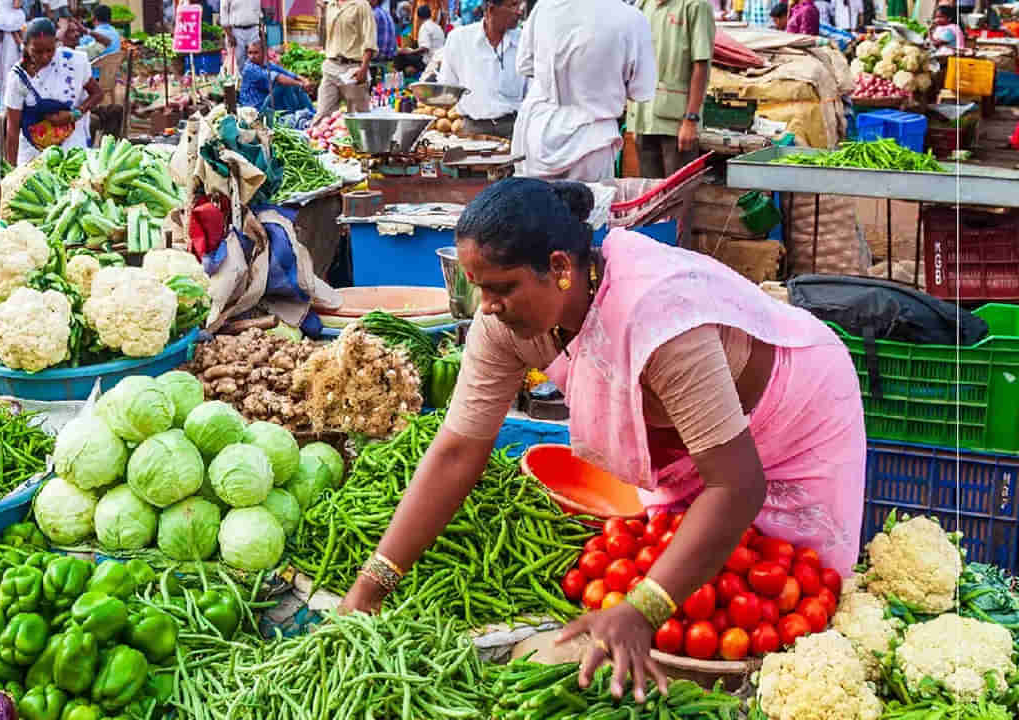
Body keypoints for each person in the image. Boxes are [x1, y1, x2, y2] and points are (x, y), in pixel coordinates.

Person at [339, 178, 865, 700]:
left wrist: (643, 607)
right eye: (478, 287)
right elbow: (458, 451)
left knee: (794, 604)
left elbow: (736, 486)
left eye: (501, 288)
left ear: (562, 269)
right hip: (689, 443)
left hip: (793, 415)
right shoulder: (503, 323)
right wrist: (371, 587)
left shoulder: (657, 314)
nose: (487, 305)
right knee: (701, 592)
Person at [513, 0, 655, 181]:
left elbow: (525, 64)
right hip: (592, 141)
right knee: (589, 206)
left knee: (535, 206)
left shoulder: (544, 7)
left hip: (537, 135)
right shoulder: (632, 19)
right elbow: (640, 90)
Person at [627, 0, 714, 180]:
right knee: (650, 194)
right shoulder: (644, 4)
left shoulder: (696, 6)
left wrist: (691, 119)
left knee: (677, 196)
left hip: (677, 121)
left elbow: (701, 64)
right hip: (644, 117)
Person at [3, 18, 103, 167]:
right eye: (37, 52)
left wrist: (74, 114)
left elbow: (97, 94)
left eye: (50, 50)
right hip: (34, 154)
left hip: (72, 149)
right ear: (25, 47)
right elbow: (12, 129)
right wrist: (11, 171)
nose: (45, 57)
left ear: (56, 43)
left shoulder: (73, 62)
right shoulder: (18, 77)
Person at [436, 0, 525, 139]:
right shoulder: (459, 39)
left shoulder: (524, 41)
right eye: (513, 5)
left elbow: (533, 92)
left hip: (514, 129)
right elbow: (447, 86)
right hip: (473, 129)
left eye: (520, 4)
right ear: (491, 9)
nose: (520, 11)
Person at [311, 0, 376, 123]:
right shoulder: (331, 5)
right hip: (331, 66)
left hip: (353, 69)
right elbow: (324, 38)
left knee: (359, 119)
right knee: (322, 116)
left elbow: (370, 41)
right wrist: (322, 13)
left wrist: (364, 68)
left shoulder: (361, 5)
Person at [239, 39, 313, 111]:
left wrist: (304, 80)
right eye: (250, 53)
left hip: (266, 101)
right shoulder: (249, 68)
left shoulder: (267, 64)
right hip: (255, 107)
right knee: (286, 85)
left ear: (264, 53)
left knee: (293, 84)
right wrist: (300, 84)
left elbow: (287, 73)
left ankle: (311, 111)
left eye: (256, 53)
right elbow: (278, 77)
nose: (252, 56)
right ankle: (294, 112)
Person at [393, 5, 442, 76]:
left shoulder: (425, 27)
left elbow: (425, 48)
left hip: (428, 61)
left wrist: (411, 51)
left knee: (400, 55)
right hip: (437, 58)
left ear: (418, 17)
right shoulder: (437, 27)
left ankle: (399, 78)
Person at [221, 0, 262, 73]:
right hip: (236, 31)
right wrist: (229, 35)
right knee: (238, 62)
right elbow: (223, 12)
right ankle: (239, 83)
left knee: (255, 61)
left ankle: (252, 82)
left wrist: (260, 29)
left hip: (253, 29)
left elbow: (258, 11)